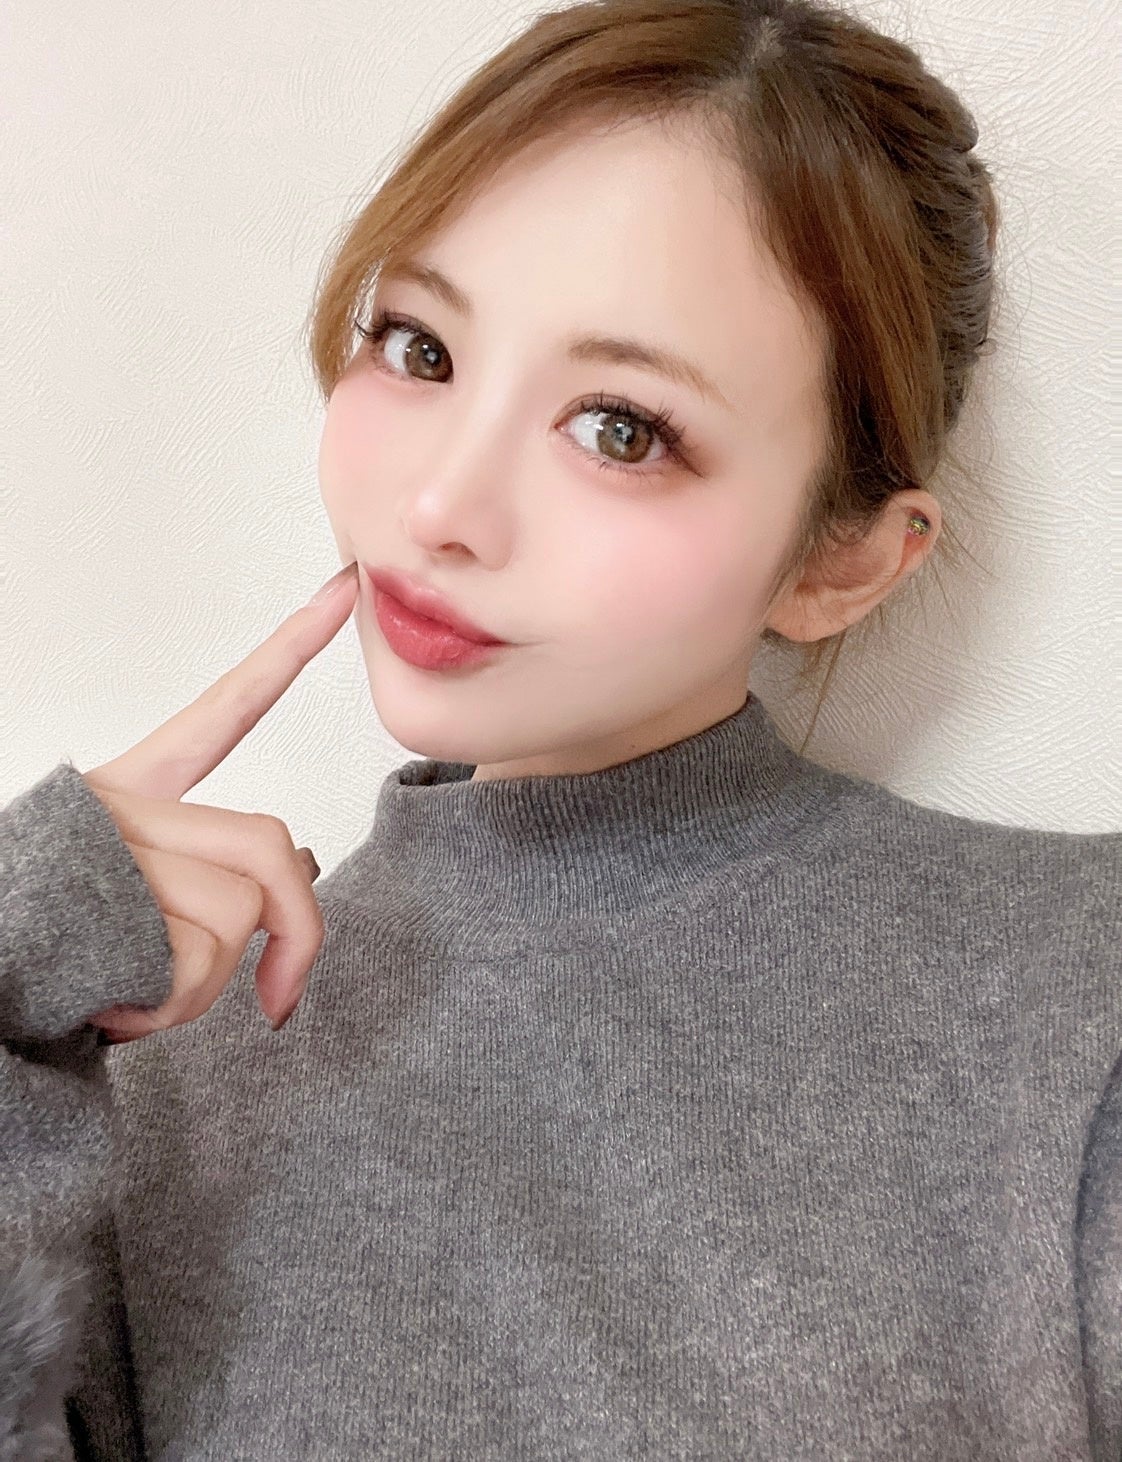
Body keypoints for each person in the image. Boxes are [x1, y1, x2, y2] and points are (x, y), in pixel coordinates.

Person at [2, 0, 1118, 1457]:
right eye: (419, 347)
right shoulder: (136, 1078)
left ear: (840, 563)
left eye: (619, 429)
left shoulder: (1074, 1000)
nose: (440, 508)